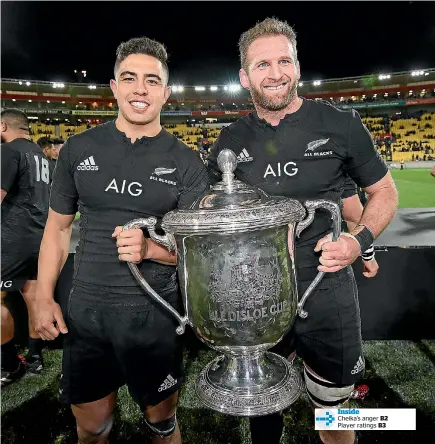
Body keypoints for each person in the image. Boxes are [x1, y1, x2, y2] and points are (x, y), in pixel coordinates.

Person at [206, 17, 398, 444]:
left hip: (327, 290)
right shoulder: (227, 144)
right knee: (262, 405)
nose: (275, 74)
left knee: (333, 411)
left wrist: (359, 242)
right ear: (244, 76)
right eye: (261, 65)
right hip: (254, 297)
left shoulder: (341, 124)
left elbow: (382, 191)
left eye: (283, 61)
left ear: (297, 65)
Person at [33, 36, 210, 444]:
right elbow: (58, 230)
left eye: (152, 80)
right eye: (129, 78)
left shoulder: (186, 162)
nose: (140, 89)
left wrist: (152, 250)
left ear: (166, 92)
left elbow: (198, 251)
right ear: (114, 87)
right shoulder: (78, 149)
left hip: (155, 317)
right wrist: (42, 296)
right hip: (88, 315)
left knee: (162, 426)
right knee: (94, 429)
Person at [1, 109, 50, 385]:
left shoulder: (8, 152)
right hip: (38, 237)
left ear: (3, 125)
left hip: (12, 237)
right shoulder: (39, 154)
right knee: (32, 296)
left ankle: (9, 365)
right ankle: (34, 359)